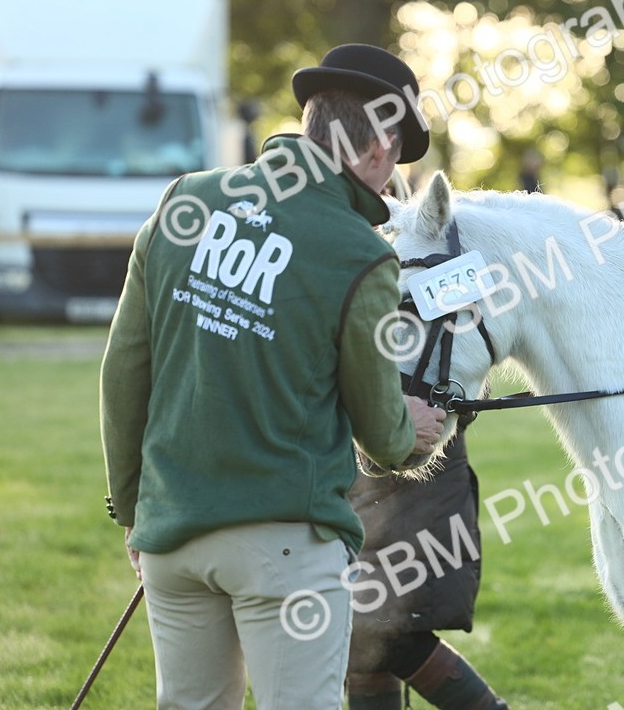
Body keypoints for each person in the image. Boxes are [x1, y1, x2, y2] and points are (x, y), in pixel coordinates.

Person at [100, 43, 448, 709]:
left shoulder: (185, 199)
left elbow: (123, 373)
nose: (390, 183)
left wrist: (131, 509)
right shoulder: (362, 256)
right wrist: (418, 427)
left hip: (170, 531)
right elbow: (381, 434)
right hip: (286, 547)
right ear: (377, 147)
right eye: (394, 161)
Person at [345, 427, 508, 709]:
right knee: (366, 640)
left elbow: (465, 387)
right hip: (360, 483)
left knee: (372, 628)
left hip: (420, 481)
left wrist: (403, 409)